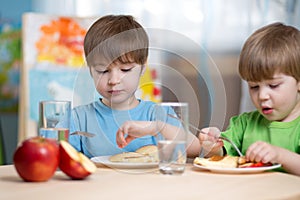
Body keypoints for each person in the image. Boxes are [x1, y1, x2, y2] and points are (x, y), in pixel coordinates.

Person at [68, 14, 201, 158]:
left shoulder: (157, 114)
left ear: (143, 68)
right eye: (102, 71)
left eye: (125, 70)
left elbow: (195, 149)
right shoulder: (78, 118)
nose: (114, 80)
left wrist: (156, 127)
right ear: (91, 71)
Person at [199, 22, 300, 176]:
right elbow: (221, 156)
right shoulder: (244, 124)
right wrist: (213, 145)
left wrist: (280, 155)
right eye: (254, 87)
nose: (262, 96)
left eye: (273, 85)